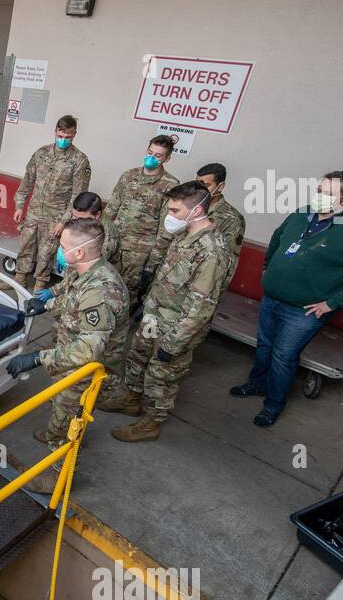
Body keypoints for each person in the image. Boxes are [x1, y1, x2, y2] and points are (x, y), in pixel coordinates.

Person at [230, 171, 343, 426]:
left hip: (303, 311)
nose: (320, 196)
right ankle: (257, 384)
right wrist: (268, 267)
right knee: (264, 345)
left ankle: (273, 406)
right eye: (320, 190)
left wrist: (332, 303)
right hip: (272, 297)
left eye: (329, 193)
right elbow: (278, 238)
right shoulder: (302, 214)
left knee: (283, 356)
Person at [101, 182, 232, 442]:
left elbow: (200, 307)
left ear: (196, 211)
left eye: (175, 211)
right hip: (154, 316)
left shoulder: (212, 252)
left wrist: (173, 344)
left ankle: (151, 423)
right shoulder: (184, 234)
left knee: (161, 376)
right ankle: (131, 400)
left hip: (175, 328)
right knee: (137, 359)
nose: (169, 216)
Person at [6, 219, 128, 492]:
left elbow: (90, 349)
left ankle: (59, 476)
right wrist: (47, 305)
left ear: (80, 251)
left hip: (84, 370)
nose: (58, 251)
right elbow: (72, 299)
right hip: (68, 357)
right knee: (60, 408)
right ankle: (55, 431)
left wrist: (38, 358)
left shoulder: (101, 291)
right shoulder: (85, 271)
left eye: (62, 246)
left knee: (70, 417)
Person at [11, 115, 92, 292]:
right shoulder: (41, 153)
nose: (63, 140)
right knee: (25, 245)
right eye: (61, 135)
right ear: (55, 131)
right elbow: (27, 181)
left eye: (68, 137)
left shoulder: (79, 160)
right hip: (33, 212)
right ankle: (19, 279)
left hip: (56, 216)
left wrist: (64, 221)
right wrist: (19, 205)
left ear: (74, 134)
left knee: (46, 252)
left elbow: (77, 196)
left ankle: (39, 286)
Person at [143, 162, 245, 296]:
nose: (201, 189)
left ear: (220, 186)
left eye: (206, 185)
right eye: (198, 183)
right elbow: (167, 238)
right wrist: (152, 268)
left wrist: (211, 295)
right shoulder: (185, 207)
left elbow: (226, 263)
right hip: (166, 278)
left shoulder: (231, 219)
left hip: (189, 289)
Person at [107, 135, 179, 303]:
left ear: (167, 158)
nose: (151, 158)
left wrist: (153, 262)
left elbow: (166, 228)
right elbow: (111, 209)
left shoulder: (170, 185)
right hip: (114, 243)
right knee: (105, 285)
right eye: (150, 152)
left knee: (127, 293)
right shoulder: (129, 176)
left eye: (158, 156)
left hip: (139, 253)